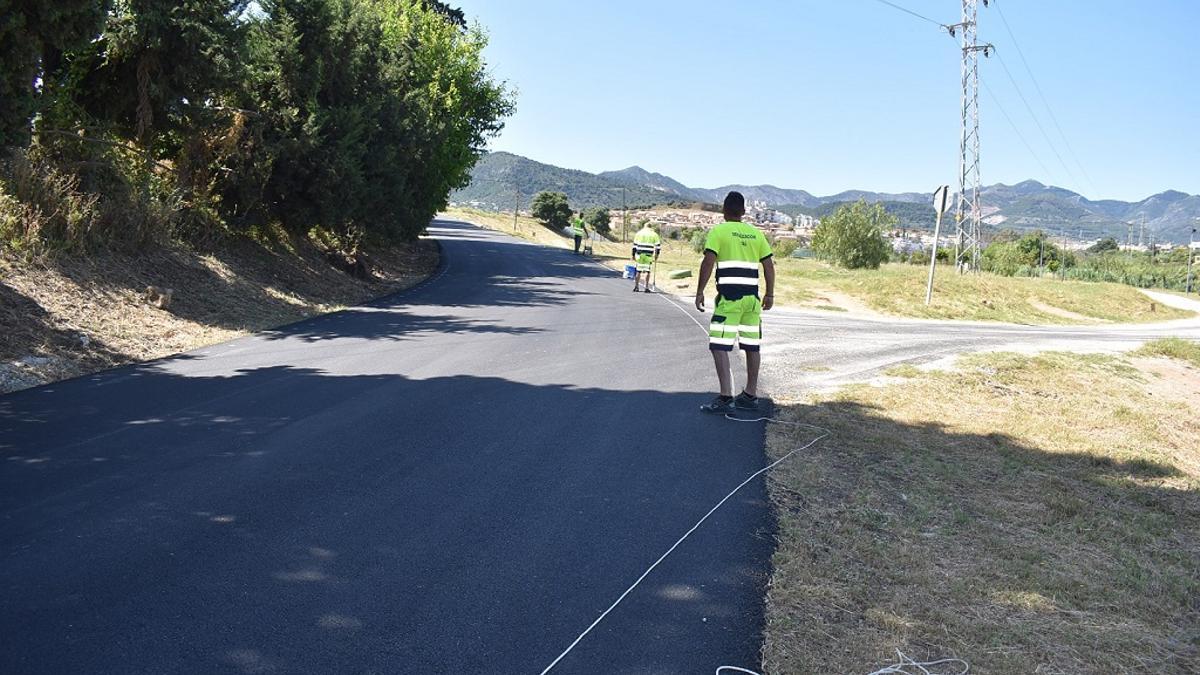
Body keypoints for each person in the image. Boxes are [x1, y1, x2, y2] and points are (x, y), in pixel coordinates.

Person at [694, 191, 775, 414]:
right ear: (743, 212)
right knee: (751, 346)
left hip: (729, 300)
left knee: (719, 345)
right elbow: (769, 266)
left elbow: (708, 262)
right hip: (752, 301)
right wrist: (770, 295)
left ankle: (725, 396)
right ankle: (750, 395)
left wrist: (700, 291)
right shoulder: (756, 234)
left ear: (724, 210)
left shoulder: (719, 231)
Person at [631, 223, 661, 292]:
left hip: (640, 254)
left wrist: (633, 255)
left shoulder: (639, 233)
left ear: (644, 227)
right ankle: (646, 287)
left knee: (638, 271)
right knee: (647, 271)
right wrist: (656, 255)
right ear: (651, 227)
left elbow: (634, 246)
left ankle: (636, 287)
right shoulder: (654, 234)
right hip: (648, 254)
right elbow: (658, 246)